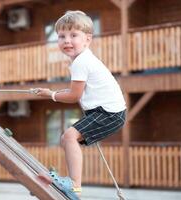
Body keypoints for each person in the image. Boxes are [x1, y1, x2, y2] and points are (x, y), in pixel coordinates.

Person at [35, 10, 126, 199]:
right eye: (61, 36)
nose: (67, 40)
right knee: (67, 139)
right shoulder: (83, 59)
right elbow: (78, 92)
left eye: (73, 35)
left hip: (109, 112)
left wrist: (51, 95)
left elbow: (74, 95)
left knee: (69, 136)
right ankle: (73, 185)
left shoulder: (81, 62)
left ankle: (74, 184)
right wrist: (52, 93)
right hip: (105, 111)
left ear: (87, 39)